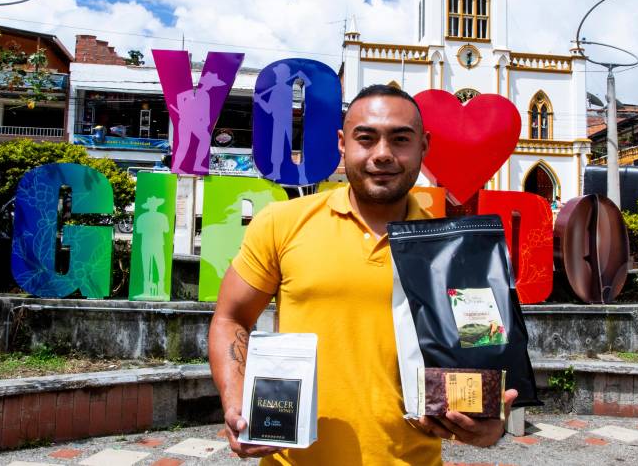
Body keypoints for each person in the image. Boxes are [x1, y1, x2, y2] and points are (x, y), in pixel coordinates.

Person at [208, 85, 517, 465]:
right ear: (342, 143)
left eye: (400, 139)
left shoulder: (454, 248)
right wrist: (237, 398)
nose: (383, 154)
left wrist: (490, 424)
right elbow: (231, 316)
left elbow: (479, 351)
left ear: (425, 145)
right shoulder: (283, 223)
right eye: (366, 139)